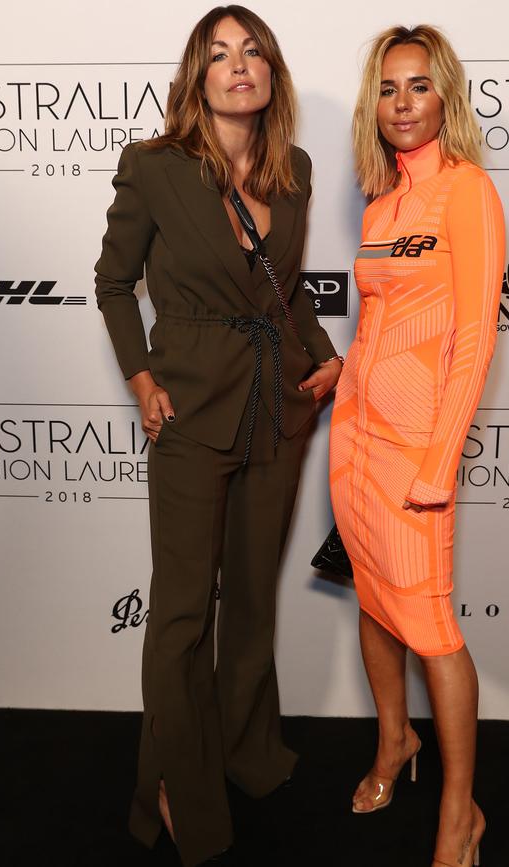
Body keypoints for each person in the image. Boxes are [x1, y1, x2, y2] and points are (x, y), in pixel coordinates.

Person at [94, 6, 341, 865]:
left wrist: (325, 354)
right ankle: (173, 787)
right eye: (220, 54)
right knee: (182, 613)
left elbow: (284, 290)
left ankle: (246, 750)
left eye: (254, 52)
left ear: (270, 72)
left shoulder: (296, 170)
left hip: (276, 405)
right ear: (197, 75)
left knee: (254, 604)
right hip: (192, 408)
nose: (240, 66)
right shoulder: (155, 168)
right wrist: (141, 376)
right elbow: (114, 282)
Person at [329, 24, 505, 867]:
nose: (404, 104)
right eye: (391, 89)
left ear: (446, 97)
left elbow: (473, 337)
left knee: (431, 625)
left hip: (416, 452)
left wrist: (440, 460)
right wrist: (343, 377)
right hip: (355, 440)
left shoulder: (466, 192)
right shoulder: (380, 202)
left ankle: (459, 814)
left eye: (420, 86)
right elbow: (382, 323)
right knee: (373, 599)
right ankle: (395, 742)